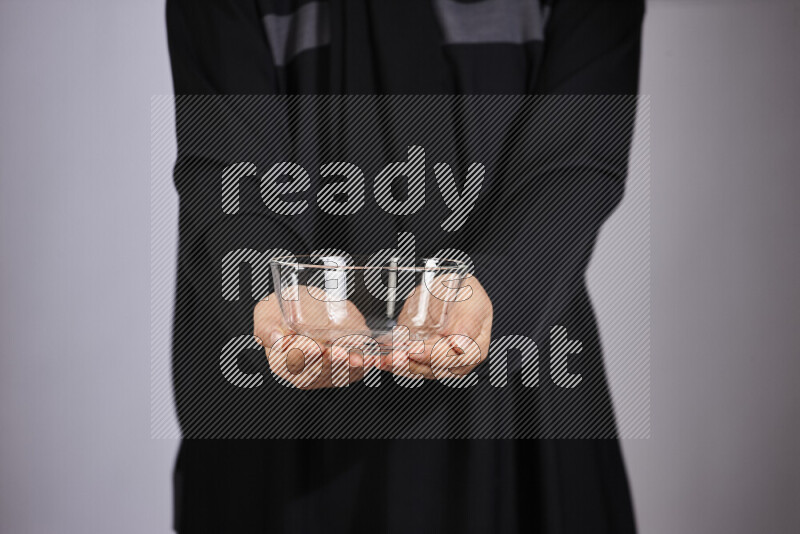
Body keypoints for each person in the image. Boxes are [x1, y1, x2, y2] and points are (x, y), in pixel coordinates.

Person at [166, 0, 644, 532]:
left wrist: (497, 287)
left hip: (516, 410)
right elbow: (226, 170)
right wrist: (279, 294)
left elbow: (578, 156)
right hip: (281, 433)